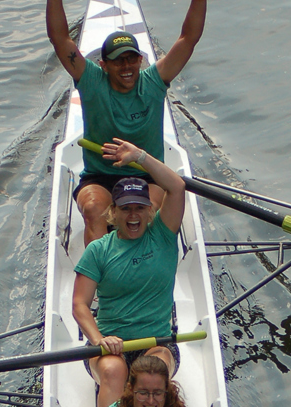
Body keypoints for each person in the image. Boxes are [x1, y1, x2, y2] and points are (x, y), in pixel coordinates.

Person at [46, 0, 207, 245]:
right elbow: (59, 39)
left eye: (132, 59)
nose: (126, 66)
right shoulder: (91, 80)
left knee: (145, 212)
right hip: (100, 176)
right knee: (92, 209)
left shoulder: (154, 81)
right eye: (118, 61)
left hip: (148, 175)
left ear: (141, 60)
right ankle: (100, 274)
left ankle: (139, 268)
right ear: (103, 65)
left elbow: (189, 38)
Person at [72, 137, 185, 407]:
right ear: (114, 212)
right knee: (114, 371)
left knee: (152, 372)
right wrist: (99, 339)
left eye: (139, 208)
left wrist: (141, 157)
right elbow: (80, 305)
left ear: (150, 211)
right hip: (110, 344)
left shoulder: (163, 234)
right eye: (125, 209)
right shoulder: (99, 250)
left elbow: (177, 186)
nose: (132, 215)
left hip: (157, 341)